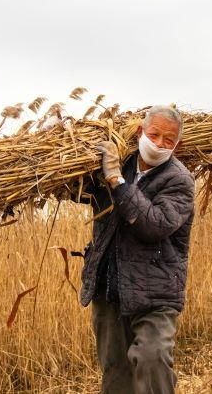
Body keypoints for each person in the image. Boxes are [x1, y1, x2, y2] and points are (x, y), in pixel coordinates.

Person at [79, 105, 195, 394]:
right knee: (116, 374)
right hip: (110, 286)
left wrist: (117, 181)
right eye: (154, 134)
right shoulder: (122, 162)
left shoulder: (179, 180)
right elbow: (81, 192)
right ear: (141, 131)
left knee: (151, 359)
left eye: (168, 140)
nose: (159, 144)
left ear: (176, 145)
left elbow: (154, 225)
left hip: (155, 291)